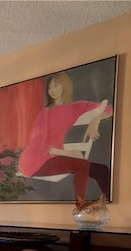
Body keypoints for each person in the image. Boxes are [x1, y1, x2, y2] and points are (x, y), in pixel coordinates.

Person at [18, 71, 113, 208]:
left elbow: (110, 108)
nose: (53, 90)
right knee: (82, 165)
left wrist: (95, 120)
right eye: (50, 88)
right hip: (35, 161)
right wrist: (68, 153)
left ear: (64, 85)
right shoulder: (45, 113)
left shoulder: (76, 107)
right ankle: (81, 206)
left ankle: (109, 205)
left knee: (102, 170)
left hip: (55, 157)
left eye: (56, 85)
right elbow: (36, 144)